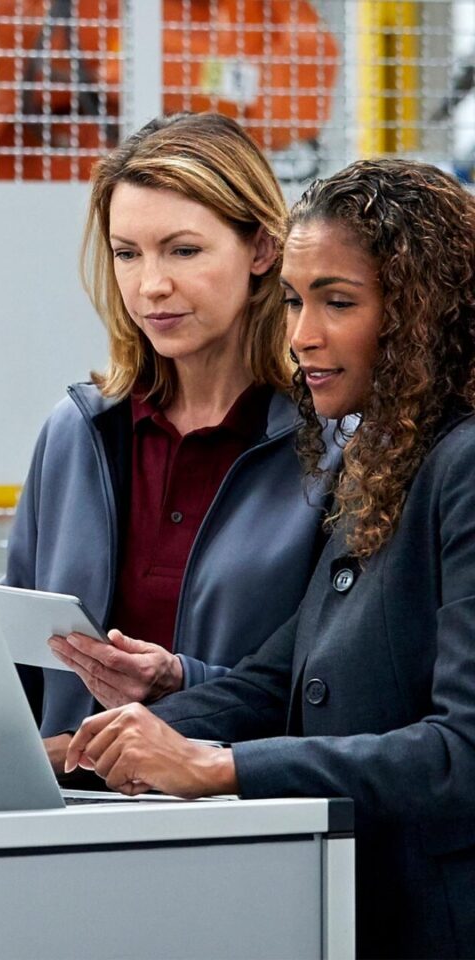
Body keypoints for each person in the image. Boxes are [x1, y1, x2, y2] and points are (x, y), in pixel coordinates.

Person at [66, 158, 475, 958]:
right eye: (294, 300)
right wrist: (86, 748)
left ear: (423, 312)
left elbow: (461, 753)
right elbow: (276, 680)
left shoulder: (460, 466)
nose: (302, 335)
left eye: (338, 302)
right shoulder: (386, 461)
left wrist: (219, 768)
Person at [0, 113, 328, 760]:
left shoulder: (331, 448)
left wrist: (183, 684)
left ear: (262, 250)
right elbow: (26, 693)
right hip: (72, 810)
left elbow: (338, 693)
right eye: (127, 254)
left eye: (183, 250)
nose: (150, 285)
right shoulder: (76, 434)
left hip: (249, 811)